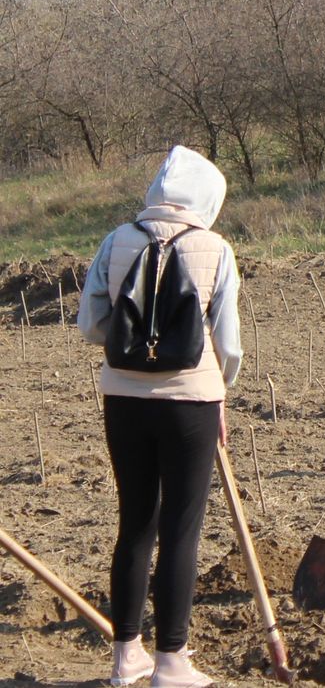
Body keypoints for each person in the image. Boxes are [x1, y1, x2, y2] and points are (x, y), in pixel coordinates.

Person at [78, 145, 242, 687]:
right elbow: (227, 343)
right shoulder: (215, 248)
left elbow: (92, 323)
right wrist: (217, 391)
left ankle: (126, 656)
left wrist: (133, 355)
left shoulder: (115, 240)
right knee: (181, 529)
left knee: (135, 523)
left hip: (122, 399)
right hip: (190, 402)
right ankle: (172, 661)